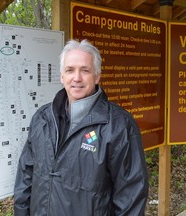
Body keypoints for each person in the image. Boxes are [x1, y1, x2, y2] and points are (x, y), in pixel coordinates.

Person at [13, 39, 149, 215]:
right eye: (70, 70)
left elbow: (131, 195)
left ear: (97, 76)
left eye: (85, 70)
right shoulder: (42, 119)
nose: (76, 78)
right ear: (62, 76)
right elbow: (25, 178)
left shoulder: (118, 125)